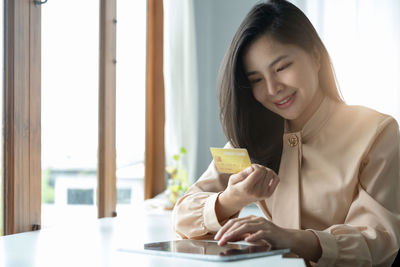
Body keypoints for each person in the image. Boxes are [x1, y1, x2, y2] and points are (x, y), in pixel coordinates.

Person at [172, 0, 400, 266]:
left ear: (315, 57)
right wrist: (233, 198)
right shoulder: (249, 139)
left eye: (281, 68)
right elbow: (182, 218)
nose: (272, 89)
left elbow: (378, 241)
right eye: (256, 79)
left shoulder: (377, 133)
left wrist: (291, 239)